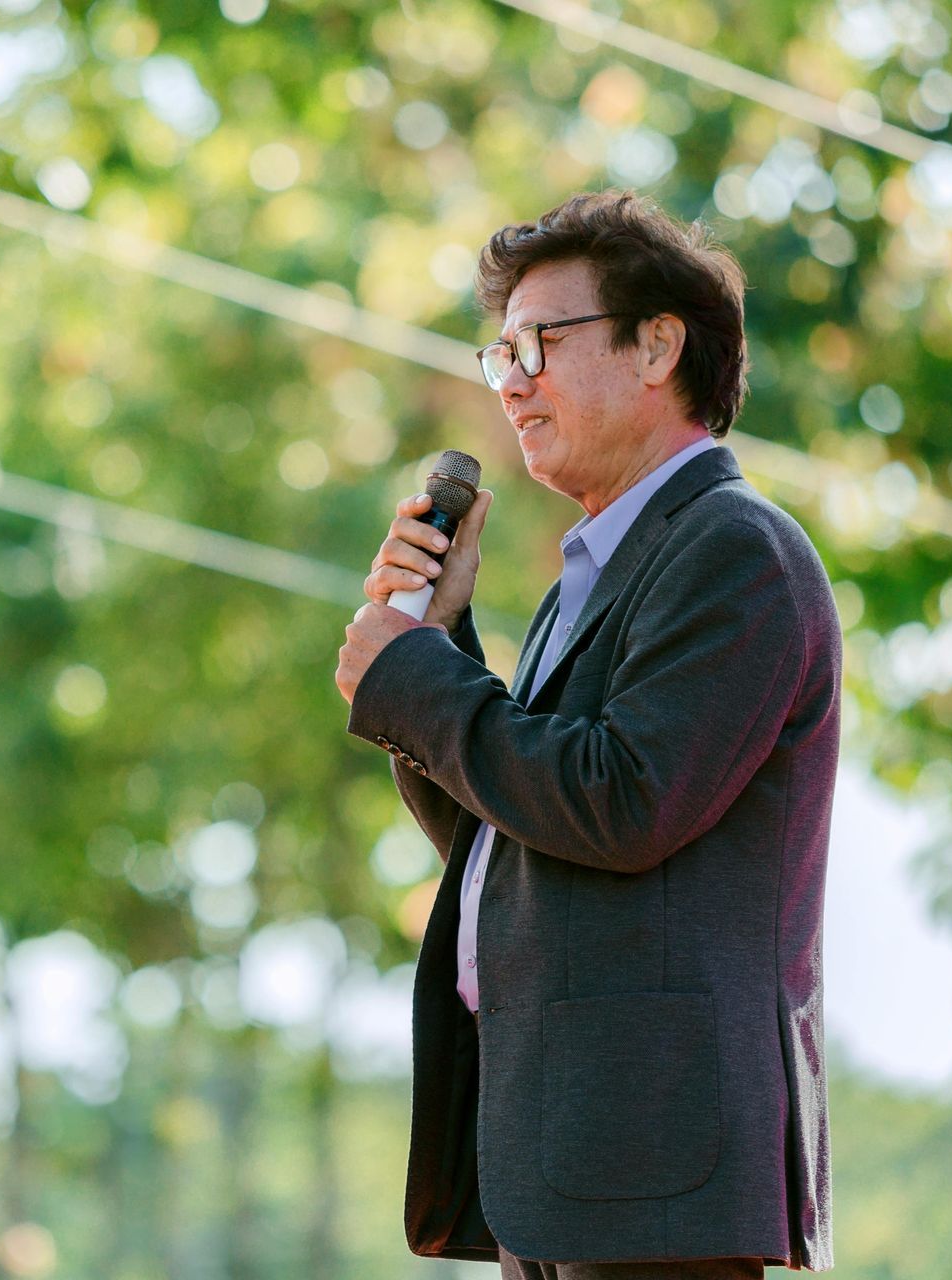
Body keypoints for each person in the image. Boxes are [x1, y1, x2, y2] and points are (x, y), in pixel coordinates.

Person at [335, 190, 841, 1277]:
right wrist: (441, 648)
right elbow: (517, 835)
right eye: (499, 352)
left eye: (539, 343)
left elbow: (621, 803)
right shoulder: (596, 571)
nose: (511, 379)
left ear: (658, 345)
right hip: (570, 1147)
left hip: (658, 1155)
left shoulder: (733, 547)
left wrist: (418, 684)